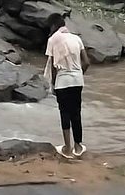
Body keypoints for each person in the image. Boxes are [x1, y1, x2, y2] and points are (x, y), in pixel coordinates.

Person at [45, 15, 90, 159]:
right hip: (77, 81)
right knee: (76, 113)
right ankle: (78, 147)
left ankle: (67, 149)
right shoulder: (76, 39)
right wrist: (78, 74)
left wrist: (52, 83)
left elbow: (53, 65)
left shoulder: (53, 40)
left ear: (53, 26)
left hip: (62, 82)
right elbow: (87, 62)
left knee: (64, 113)